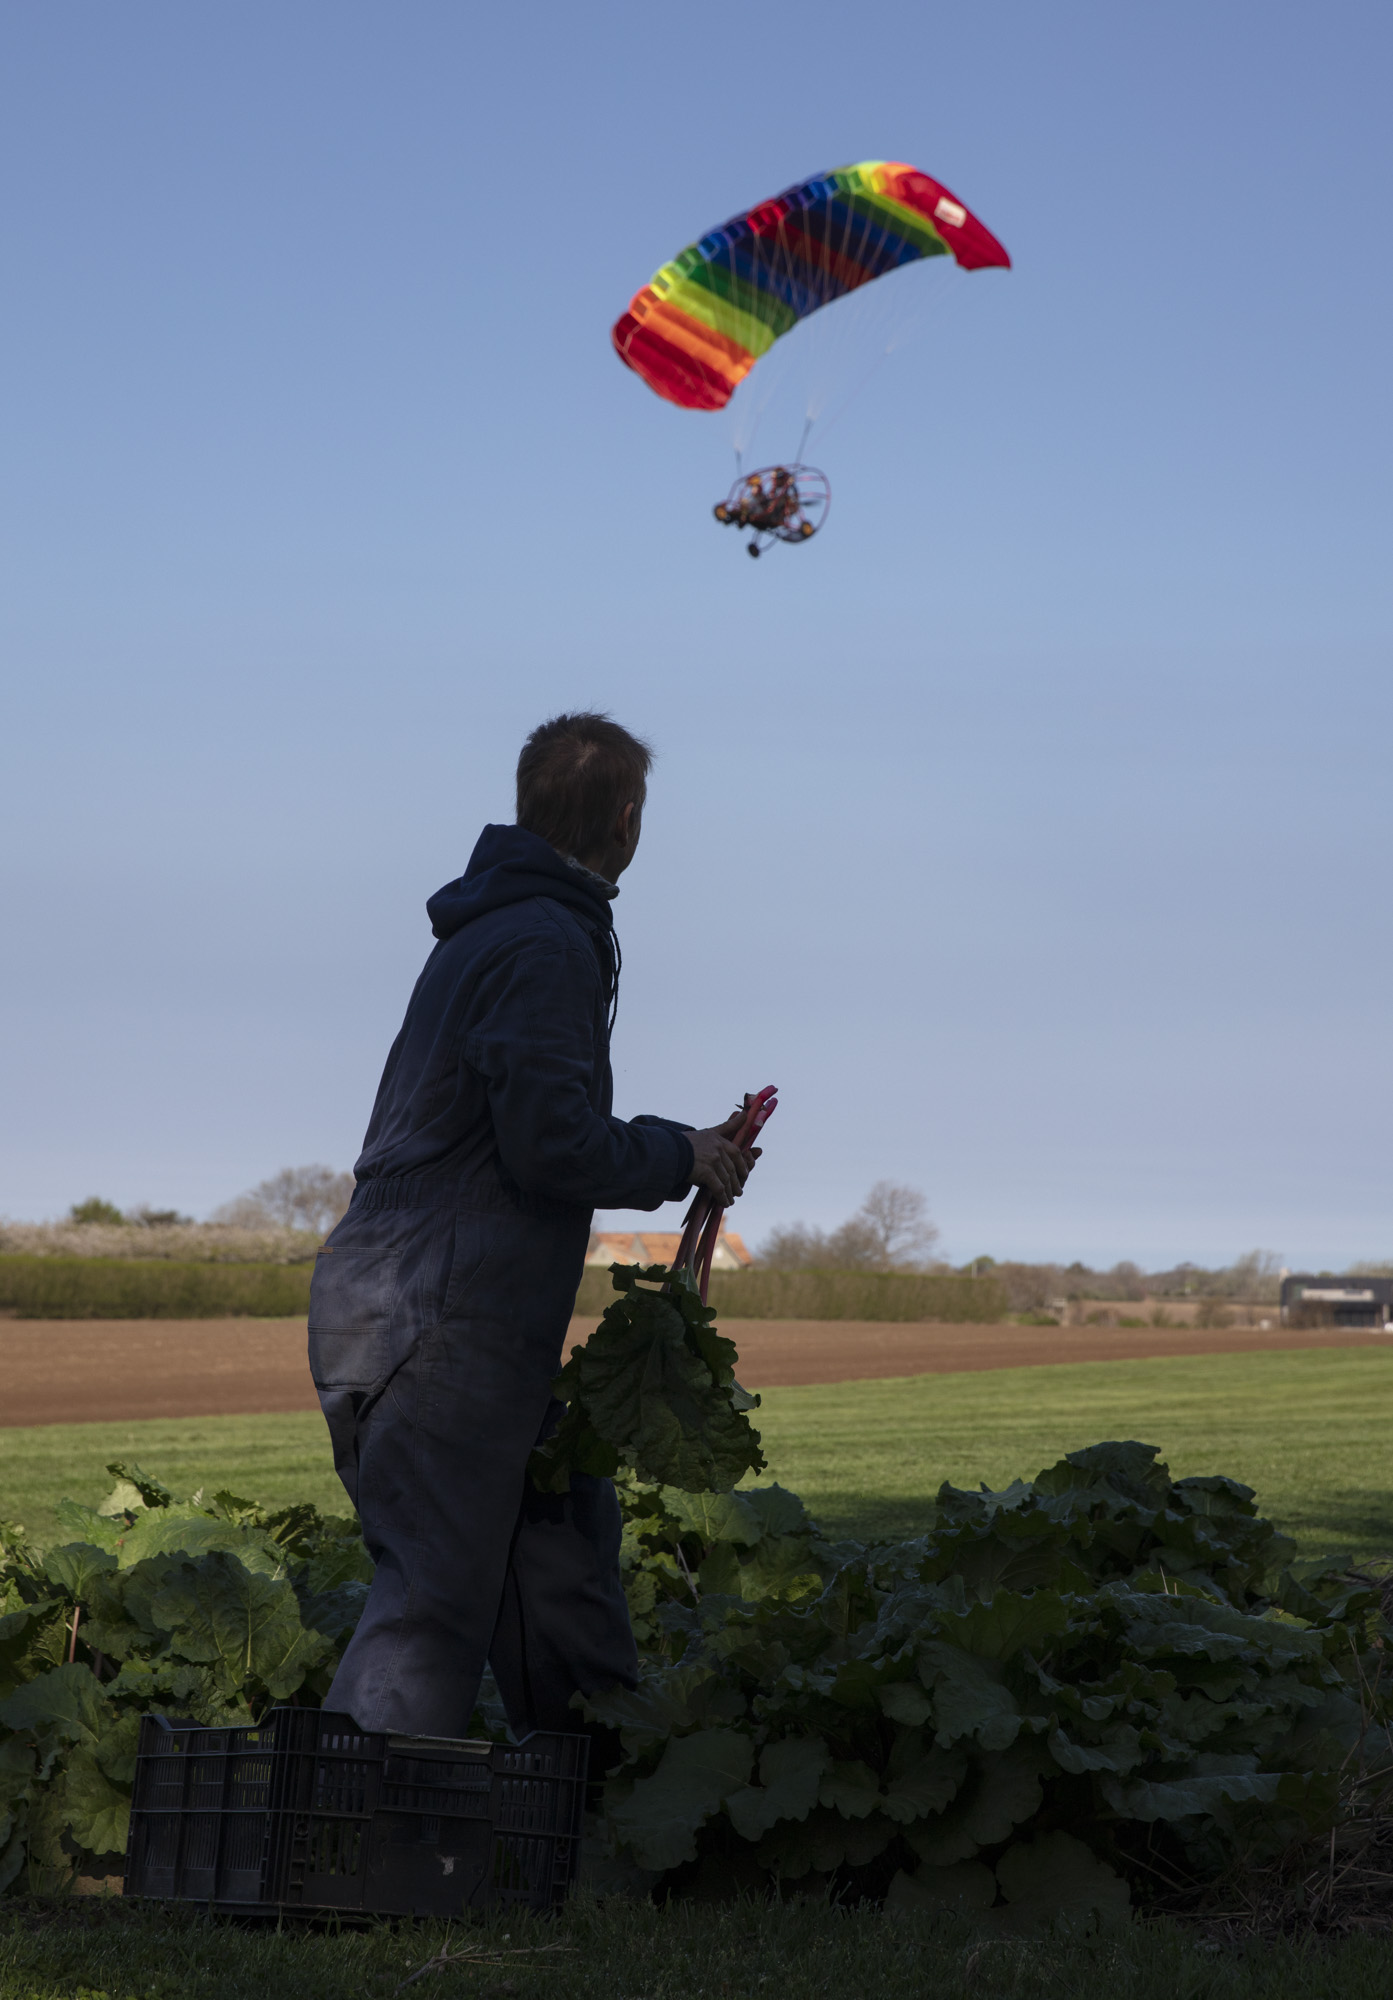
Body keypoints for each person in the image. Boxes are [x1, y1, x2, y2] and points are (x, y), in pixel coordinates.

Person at [307, 713, 756, 1743]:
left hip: (428, 1299)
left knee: (555, 1539)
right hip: (435, 1314)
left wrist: (667, 1145)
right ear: (628, 818)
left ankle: (597, 1792)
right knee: (434, 1593)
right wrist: (677, 1153)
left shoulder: (509, 928)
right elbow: (550, 1144)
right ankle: (352, 1829)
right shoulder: (542, 942)